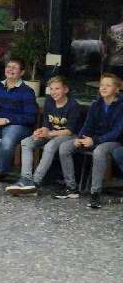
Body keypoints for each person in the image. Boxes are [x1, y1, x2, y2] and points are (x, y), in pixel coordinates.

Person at [5, 76, 82, 195]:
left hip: (69, 136)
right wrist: (40, 131)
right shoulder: (49, 102)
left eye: (57, 89)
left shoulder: (73, 105)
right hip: (51, 134)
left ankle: (35, 182)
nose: (54, 92)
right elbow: (47, 124)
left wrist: (49, 134)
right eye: (51, 89)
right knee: (27, 142)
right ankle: (26, 178)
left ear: (65, 89)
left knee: (50, 146)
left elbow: (69, 131)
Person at [56, 73, 123, 208]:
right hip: (93, 138)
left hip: (114, 141)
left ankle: (95, 193)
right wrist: (80, 138)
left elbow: (117, 132)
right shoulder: (96, 104)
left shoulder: (121, 105)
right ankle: (71, 188)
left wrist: (95, 140)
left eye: (108, 85)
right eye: (102, 85)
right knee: (65, 147)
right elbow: (88, 125)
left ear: (117, 89)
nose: (103, 88)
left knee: (99, 151)